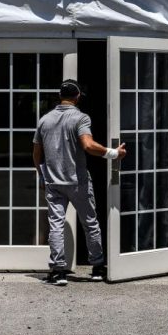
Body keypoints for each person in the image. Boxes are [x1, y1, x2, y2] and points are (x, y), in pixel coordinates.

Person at [32, 79, 127, 286]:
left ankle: (58, 271)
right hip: (77, 182)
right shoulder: (80, 117)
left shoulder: (44, 120)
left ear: (60, 96)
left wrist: (41, 175)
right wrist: (114, 153)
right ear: (77, 97)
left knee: (55, 225)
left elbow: (36, 153)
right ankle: (98, 267)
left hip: (53, 181)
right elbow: (88, 145)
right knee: (90, 223)